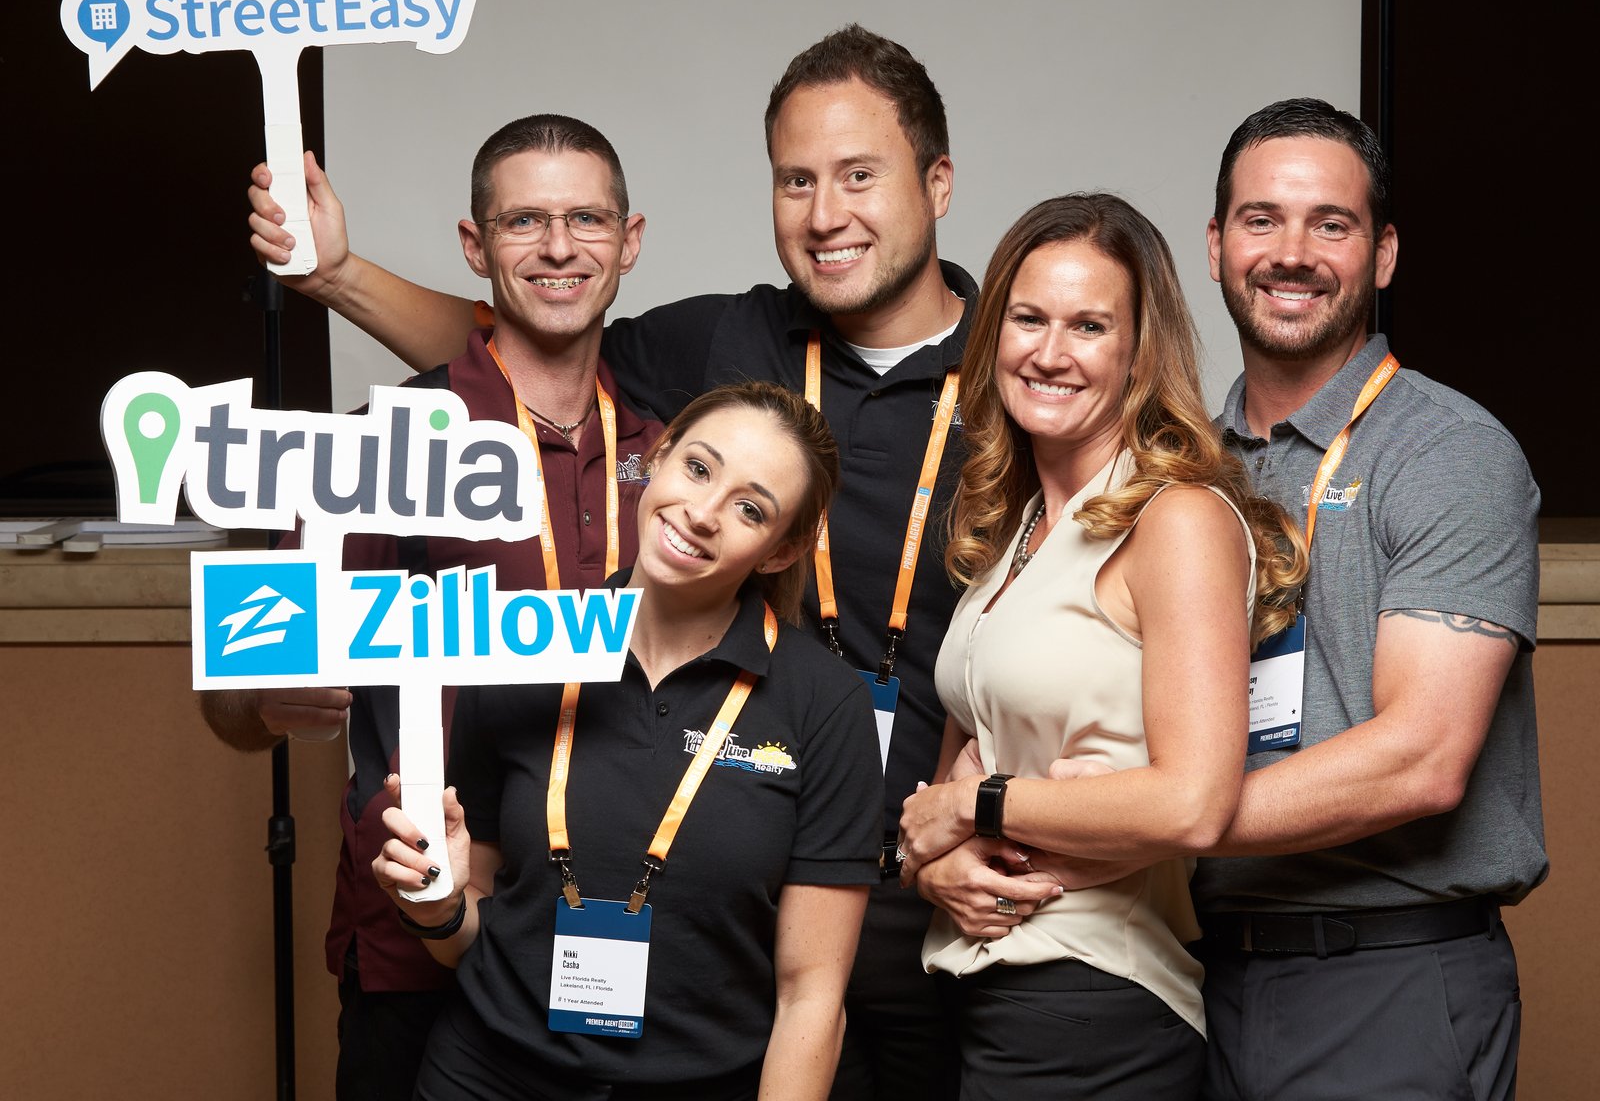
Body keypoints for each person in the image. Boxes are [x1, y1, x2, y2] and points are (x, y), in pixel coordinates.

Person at [247, 25, 976, 1099]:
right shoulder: (705, 350)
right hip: (442, 920)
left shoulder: (1017, 367)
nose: (826, 212)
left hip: (804, 905)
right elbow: (520, 332)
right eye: (796, 179)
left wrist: (991, 797)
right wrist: (338, 275)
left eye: (858, 174)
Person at [203, 113, 662, 1100]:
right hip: (416, 938)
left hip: (612, 923)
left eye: (586, 219)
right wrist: (272, 699)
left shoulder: (672, 455)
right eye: (523, 221)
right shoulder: (381, 442)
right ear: (475, 246)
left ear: (628, 242)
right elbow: (229, 702)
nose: (558, 247)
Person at [893, 194, 1306, 1099]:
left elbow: (1194, 802)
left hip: (1095, 1000)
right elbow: (953, 775)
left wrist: (978, 807)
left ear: (1138, 354)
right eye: (1028, 319)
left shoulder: (1179, 520)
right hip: (984, 989)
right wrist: (935, 870)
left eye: (1089, 326)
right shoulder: (1015, 531)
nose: (1051, 353)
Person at [373, 382, 883, 1100]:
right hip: (488, 1075)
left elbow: (811, 999)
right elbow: (475, 932)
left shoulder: (825, 704)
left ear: (782, 550)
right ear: (658, 458)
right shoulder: (520, 647)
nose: (702, 513)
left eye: (750, 509)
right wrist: (438, 907)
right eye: (698, 469)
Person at [1190, 98, 1545, 1101]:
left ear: (1382, 255)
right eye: (1261, 219)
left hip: (1388, 979)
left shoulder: (1448, 452)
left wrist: (1149, 820)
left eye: (1330, 224)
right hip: (1196, 974)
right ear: (1216, 245)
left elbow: (1422, 758)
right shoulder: (1185, 468)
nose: (1290, 253)